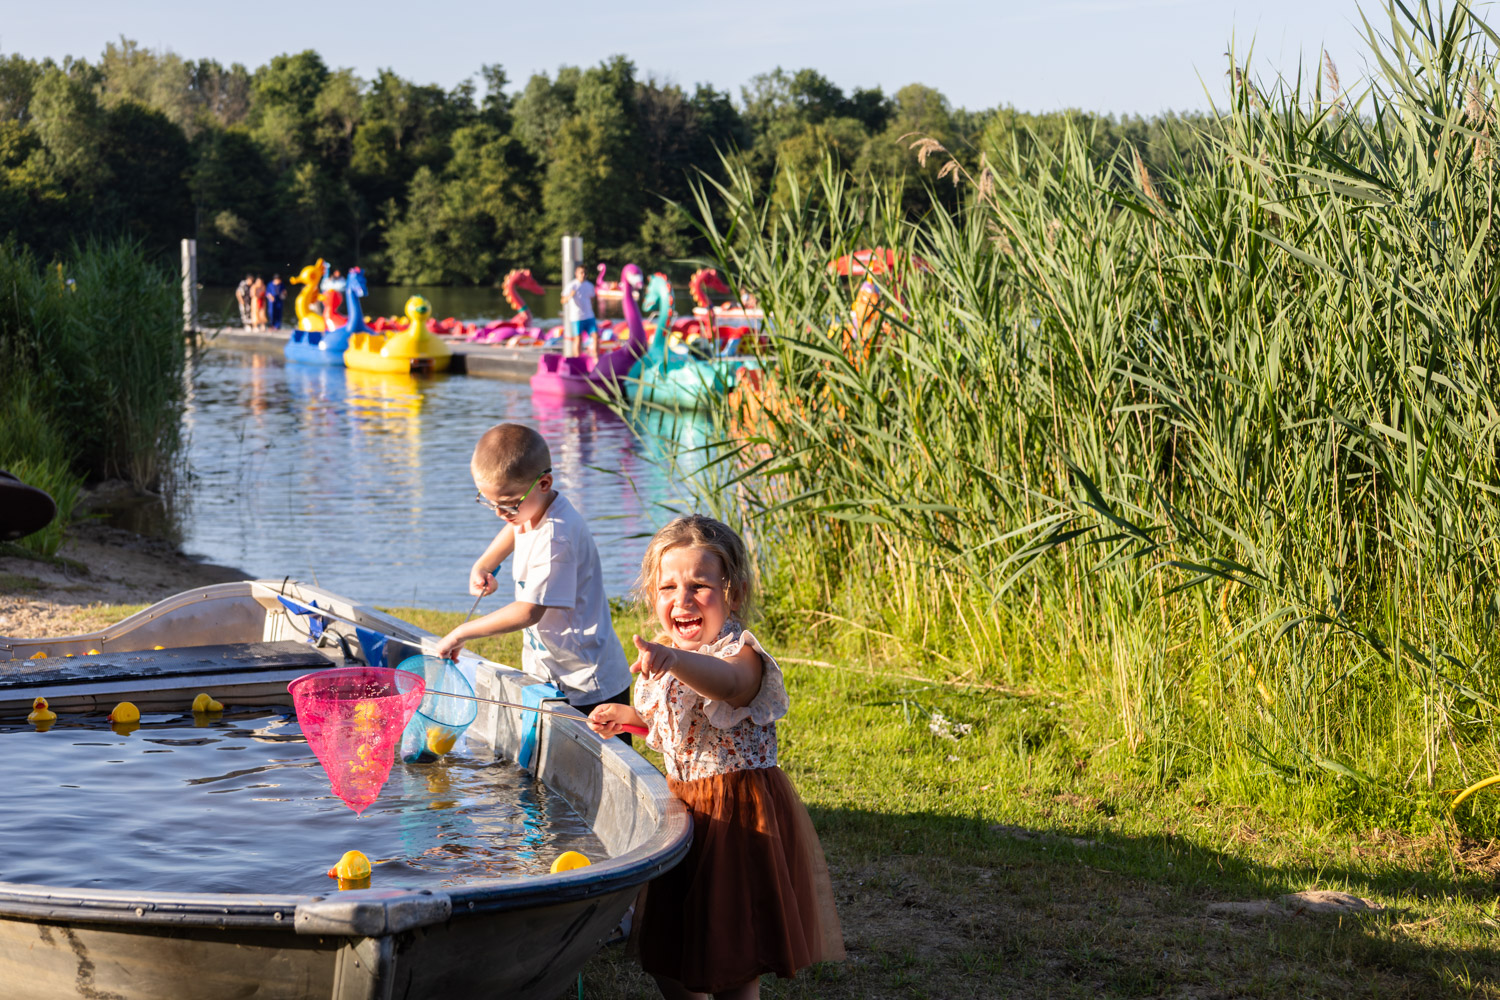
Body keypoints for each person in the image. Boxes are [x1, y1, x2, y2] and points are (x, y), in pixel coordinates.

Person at [589, 515, 844, 999]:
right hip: (683, 813)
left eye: (699, 586)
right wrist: (629, 718)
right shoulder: (668, 653)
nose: (681, 600)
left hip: (737, 816)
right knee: (671, 944)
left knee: (732, 950)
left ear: (734, 591)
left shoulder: (742, 656)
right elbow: (677, 732)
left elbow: (726, 687)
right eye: (668, 587)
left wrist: (678, 662)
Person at [435, 423, 633, 731]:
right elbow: (516, 526)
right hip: (554, 672)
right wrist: (486, 563)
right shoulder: (530, 509)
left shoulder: (557, 538)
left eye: (508, 503)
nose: (501, 513)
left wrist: (462, 632)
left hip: (588, 683)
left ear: (543, 483)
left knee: (596, 773)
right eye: (491, 503)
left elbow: (529, 611)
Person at [559, 264, 597, 359]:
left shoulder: (590, 286)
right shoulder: (572, 285)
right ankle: (577, 359)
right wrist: (570, 296)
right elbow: (563, 300)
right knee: (578, 339)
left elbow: (592, 299)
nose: (583, 275)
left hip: (589, 316)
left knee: (596, 336)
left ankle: (596, 358)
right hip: (577, 317)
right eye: (581, 273)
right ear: (576, 274)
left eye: (585, 273)